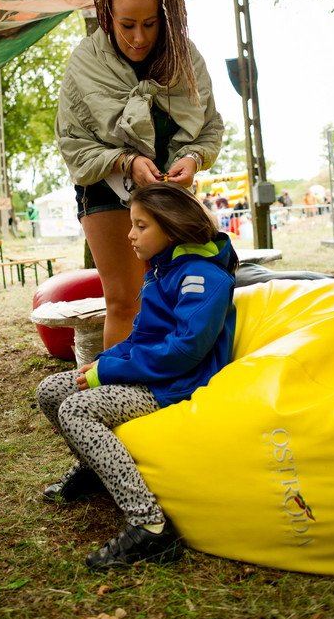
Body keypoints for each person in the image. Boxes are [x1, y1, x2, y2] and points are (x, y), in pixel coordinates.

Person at [37, 182, 238, 569]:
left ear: (173, 226)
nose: (130, 234)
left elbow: (185, 351)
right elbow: (143, 337)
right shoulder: (163, 270)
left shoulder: (201, 277)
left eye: (141, 225)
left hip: (177, 383)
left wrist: (111, 370)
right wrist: (102, 363)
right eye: (132, 224)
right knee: (51, 390)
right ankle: (96, 469)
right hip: (150, 373)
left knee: (76, 410)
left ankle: (150, 526)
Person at [56, 0, 224, 349]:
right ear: (106, 14)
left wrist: (193, 156)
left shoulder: (186, 57)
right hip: (107, 188)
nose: (138, 38)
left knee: (187, 292)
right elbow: (73, 144)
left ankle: (172, 387)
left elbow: (212, 126)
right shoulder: (84, 62)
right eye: (126, 24)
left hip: (171, 191)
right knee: (126, 301)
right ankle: (118, 400)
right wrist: (125, 161)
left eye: (150, 24)